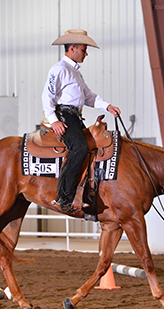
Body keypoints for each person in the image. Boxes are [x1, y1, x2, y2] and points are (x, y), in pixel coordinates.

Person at [42, 29, 121, 213]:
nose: (86, 53)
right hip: (65, 115)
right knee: (80, 148)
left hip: (75, 116)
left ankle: (84, 192)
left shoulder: (75, 72)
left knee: (92, 148)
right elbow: (47, 96)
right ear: (72, 48)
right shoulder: (59, 69)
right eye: (84, 49)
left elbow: (88, 96)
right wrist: (54, 120)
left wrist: (107, 106)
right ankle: (64, 197)